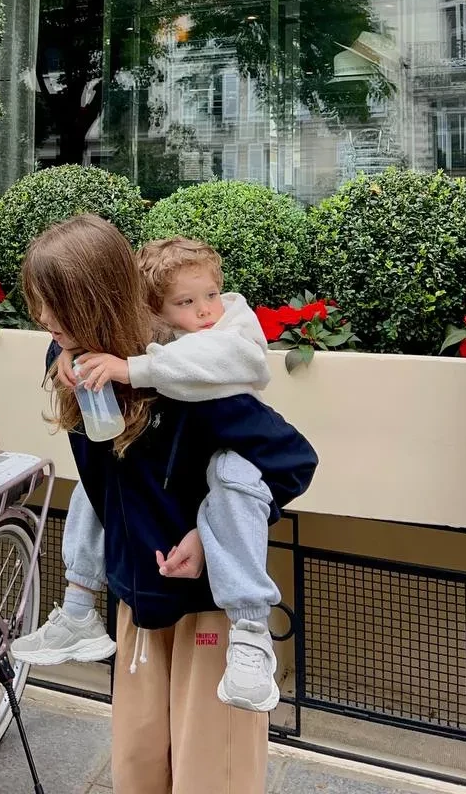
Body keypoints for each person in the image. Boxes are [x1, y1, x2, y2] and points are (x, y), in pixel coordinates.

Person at [19, 215, 318, 794]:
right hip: (136, 597)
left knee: (212, 776)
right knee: (137, 767)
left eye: (54, 303)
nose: (43, 318)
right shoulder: (71, 363)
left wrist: (207, 538)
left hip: (207, 605)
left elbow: (292, 461)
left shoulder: (190, 380)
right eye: (38, 302)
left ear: (95, 300)